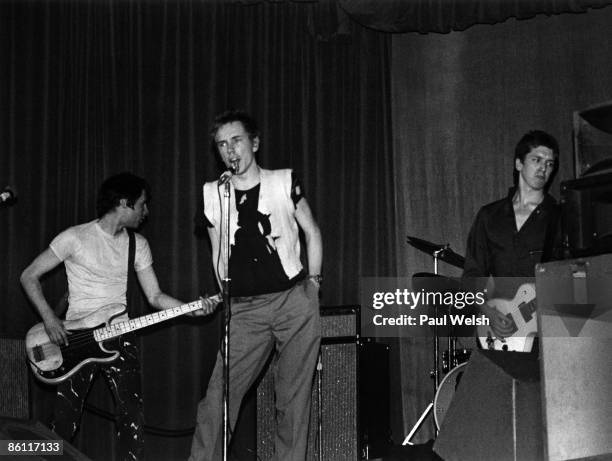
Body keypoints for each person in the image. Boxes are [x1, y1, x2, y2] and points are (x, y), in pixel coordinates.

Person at [20, 172, 215, 461]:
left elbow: (155, 296)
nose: (145, 212)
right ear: (124, 203)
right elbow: (28, 276)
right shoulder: (74, 237)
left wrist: (191, 308)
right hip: (75, 340)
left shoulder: (138, 245)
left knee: (132, 419)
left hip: (120, 336)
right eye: (142, 204)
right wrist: (50, 320)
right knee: (63, 421)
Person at [190, 110, 322, 461]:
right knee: (218, 398)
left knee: (292, 402)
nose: (230, 150)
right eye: (221, 144)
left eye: (236, 141)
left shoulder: (283, 181)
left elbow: (312, 232)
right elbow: (218, 252)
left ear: (255, 143)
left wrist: (314, 285)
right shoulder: (212, 193)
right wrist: (226, 297)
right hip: (245, 309)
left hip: (294, 301)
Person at [462, 130, 561, 340]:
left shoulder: (560, 217)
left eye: (550, 163)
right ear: (519, 164)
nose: (544, 168)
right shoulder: (489, 216)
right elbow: (472, 276)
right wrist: (489, 313)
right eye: (537, 160)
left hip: (547, 332)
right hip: (499, 330)